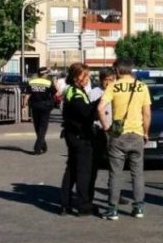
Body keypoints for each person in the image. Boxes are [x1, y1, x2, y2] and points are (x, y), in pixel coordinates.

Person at [97, 58, 151, 221]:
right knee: (137, 173)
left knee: (115, 173)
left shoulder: (113, 86)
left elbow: (100, 108)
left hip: (118, 135)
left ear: (118, 71)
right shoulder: (142, 87)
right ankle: (139, 207)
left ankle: (113, 210)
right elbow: (147, 113)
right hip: (136, 134)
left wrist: (106, 126)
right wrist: (146, 132)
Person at [59, 63, 96, 216]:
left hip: (72, 134)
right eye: (84, 75)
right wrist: (101, 101)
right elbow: (85, 112)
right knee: (83, 172)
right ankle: (83, 206)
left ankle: (65, 205)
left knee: (72, 170)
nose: (87, 78)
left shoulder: (73, 90)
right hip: (80, 136)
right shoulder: (75, 93)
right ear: (76, 77)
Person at [87, 67, 116, 204]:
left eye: (112, 80)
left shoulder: (116, 91)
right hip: (98, 131)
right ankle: (89, 193)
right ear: (100, 80)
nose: (109, 83)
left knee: (114, 165)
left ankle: (114, 193)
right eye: (106, 80)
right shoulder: (94, 93)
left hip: (113, 131)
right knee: (94, 164)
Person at [22, 67, 57, 155]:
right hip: (45, 107)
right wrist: (55, 83)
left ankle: (42, 145)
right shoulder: (48, 83)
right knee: (42, 128)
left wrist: (24, 104)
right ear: (45, 74)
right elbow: (56, 93)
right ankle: (38, 148)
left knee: (37, 127)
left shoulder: (32, 82)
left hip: (35, 106)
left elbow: (27, 95)